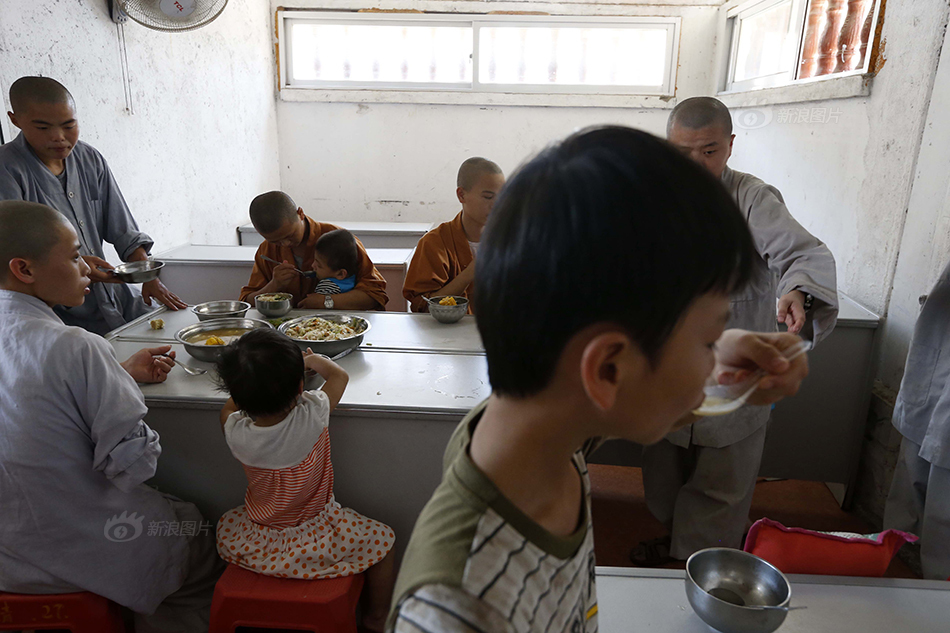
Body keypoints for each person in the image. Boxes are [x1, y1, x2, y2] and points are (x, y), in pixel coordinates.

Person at [387, 127, 810, 632]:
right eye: (708, 338)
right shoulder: (456, 611)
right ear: (608, 369)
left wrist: (724, 355)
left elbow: (631, 393)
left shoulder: (538, 428)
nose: (713, 356)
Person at [630, 97, 840, 565]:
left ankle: (698, 570)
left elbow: (801, 253)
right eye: (683, 152)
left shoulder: (752, 198)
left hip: (735, 367)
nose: (696, 163)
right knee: (663, 480)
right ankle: (682, 546)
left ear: (729, 145)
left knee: (721, 485)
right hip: (668, 369)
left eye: (709, 151)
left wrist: (797, 293)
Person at [0, 200, 222, 633]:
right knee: (198, 533)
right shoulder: (78, 346)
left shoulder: (56, 348)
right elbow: (133, 466)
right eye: (76, 254)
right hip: (73, 552)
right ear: (25, 269)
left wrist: (116, 375)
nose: (88, 268)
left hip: (8, 555)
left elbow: (29, 396)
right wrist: (111, 383)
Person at [215, 329, 396, 631]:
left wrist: (252, 384)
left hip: (258, 538)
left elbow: (229, 408)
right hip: (313, 537)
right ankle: (377, 616)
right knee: (385, 542)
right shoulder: (312, 414)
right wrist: (311, 359)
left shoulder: (235, 430)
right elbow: (339, 377)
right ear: (300, 386)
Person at [0, 76, 186, 335]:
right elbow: (13, 255)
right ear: (15, 120)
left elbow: (124, 231)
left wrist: (147, 275)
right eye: (42, 128)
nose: (59, 138)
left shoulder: (89, 159)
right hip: (60, 315)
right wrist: (76, 264)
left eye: (69, 125)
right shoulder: (7, 169)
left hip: (116, 301)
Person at [883, 261, 950, 580]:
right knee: (910, 481)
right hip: (935, 372)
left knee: (943, 514)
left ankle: (935, 601)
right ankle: (890, 565)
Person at [239, 191, 388, 310]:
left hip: (340, 329)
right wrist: (274, 285)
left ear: (300, 214)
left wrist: (327, 301)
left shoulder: (339, 240)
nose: (284, 244)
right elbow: (247, 302)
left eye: (289, 236)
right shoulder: (266, 250)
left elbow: (376, 294)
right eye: (275, 241)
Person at [402, 157, 505, 314]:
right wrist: (471, 272)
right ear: (461, 195)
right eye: (488, 197)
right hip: (447, 336)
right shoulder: (435, 243)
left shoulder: (513, 241)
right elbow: (422, 308)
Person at [312, 228, 359, 296]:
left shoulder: (326, 286)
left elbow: (314, 304)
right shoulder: (354, 280)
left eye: (319, 266)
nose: (313, 265)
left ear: (341, 274)